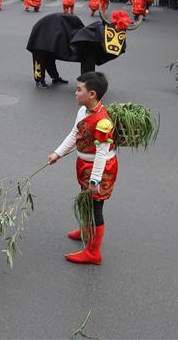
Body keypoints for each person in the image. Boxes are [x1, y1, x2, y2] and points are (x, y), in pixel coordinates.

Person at [45, 72, 116, 264]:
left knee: (95, 206)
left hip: (99, 169)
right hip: (84, 165)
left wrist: (95, 180)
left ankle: (93, 252)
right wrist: (58, 153)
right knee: (86, 199)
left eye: (79, 90)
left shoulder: (103, 122)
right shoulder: (83, 111)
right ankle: (86, 229)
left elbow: (102, 154)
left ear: (92, 94)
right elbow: (74, 133)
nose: (75, 93)